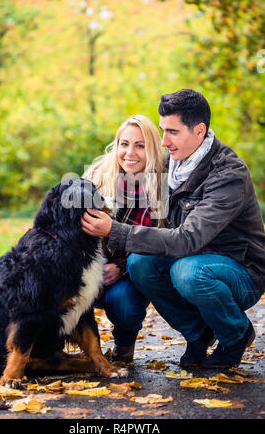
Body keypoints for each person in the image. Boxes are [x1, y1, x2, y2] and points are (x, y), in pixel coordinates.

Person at [82, 89, 265, 369]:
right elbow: (127, 166)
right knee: (140, 262)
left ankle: (235, 334)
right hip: (193, 258)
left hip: (239, 269)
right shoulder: (170, 163)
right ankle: (198, 335)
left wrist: (113, 230)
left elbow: (187, 239)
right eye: (162, 130)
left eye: (172, 132)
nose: (164, 140)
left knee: (188, 272)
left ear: (199, 131)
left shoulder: (227, 174)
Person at [83, 115, 166, 362]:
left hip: (126, 273)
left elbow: (157, 242)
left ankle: (124, 344)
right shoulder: (97, 175)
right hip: (88, 267)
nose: (130, 152)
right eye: (124, 143)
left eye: (140, 145)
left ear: (151, 148)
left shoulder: (162, 185)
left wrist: (120, 268)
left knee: (124, 303)